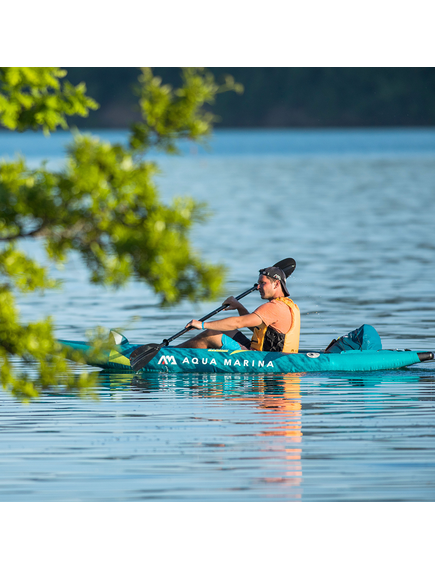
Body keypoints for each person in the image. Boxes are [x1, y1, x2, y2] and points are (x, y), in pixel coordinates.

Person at [179, 266, 300, 353]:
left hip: (262, 358)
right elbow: (258, 329)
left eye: (263, 283)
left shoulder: (274, 307)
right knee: (227, 332)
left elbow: (238, 322)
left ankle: (168, 354)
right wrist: (239, 307)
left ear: (276, 284)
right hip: (266, 353)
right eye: (258, 283)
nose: (258, 287)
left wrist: (203, 324)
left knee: (210, 334)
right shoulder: (287, 305)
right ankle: (173, 352)